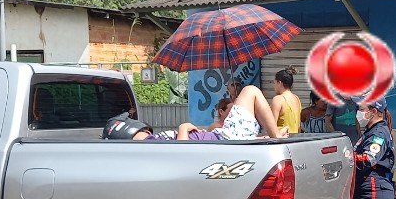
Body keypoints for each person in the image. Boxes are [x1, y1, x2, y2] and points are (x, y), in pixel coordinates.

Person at [104, 84, 288, 141]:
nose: (146, 131)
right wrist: (183, 128)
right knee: (251, 91)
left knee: (250, 92)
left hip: (222, 137)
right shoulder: (151, 143)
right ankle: (275, 136)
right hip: (224, 138)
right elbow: (181, 152)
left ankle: (272, 135)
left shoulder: (153, 142)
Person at [272, 67, 303, 135]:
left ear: (279, 83)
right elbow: (299, 126)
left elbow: (271, 127)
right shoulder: (296, 99)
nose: (274, 86)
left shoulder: (278, 99)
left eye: (274, 83)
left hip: (282, 141)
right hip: (295, 141)